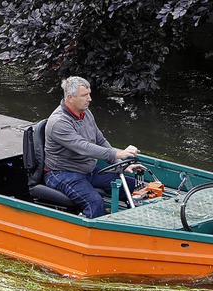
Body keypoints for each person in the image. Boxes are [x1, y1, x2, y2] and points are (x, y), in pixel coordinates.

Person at [44, 76, 146, 218]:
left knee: (133, 186)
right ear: (70, 97)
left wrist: (120, 164)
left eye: (89, 94)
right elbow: (84, 147)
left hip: (87, 170)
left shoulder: (86, 114)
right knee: (95, 202)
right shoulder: (59, 122)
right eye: (84, 95)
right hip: (62, 173)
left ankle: (135, 220)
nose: (90, 99)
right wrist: (118, 154)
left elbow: (100, 140)